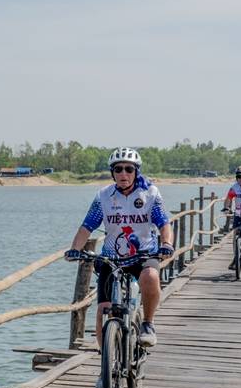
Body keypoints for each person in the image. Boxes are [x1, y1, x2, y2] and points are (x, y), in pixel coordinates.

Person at [64, 148, 172, 355]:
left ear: (136, 172)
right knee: (104, 309)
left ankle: (147, 324)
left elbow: (164, 224)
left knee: (150, 276)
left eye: (129, 169)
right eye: (118, 169)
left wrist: (166, 244)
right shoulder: (103, 196)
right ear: (113, 172)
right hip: (111, 258)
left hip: (144, 255)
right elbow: (87, 226)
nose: (124, 174)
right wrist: (74, 250)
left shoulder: (150, 193)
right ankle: (106, 362)